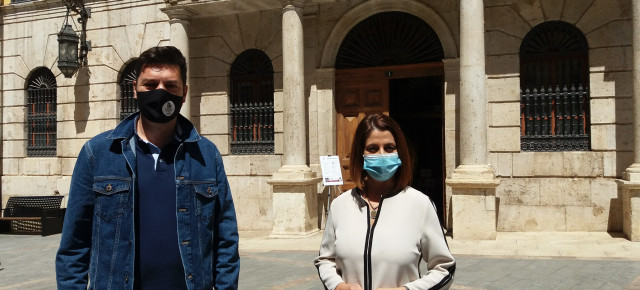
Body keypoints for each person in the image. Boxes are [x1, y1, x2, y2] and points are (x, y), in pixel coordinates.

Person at [55, 46, 240, 290]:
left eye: (170, 85)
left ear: (184, 93)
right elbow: (74, 246)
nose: (161, 92)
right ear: (135, 90)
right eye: (150, 85)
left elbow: (226, 238)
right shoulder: (97, 153)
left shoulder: (206, 155)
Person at [315, 114, 455, 290]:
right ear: (361, 154)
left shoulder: (420, 204)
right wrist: (339, 286)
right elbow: (325, 260)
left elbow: (445, 268)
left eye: (389, 148)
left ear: (400, 153)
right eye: (372, 148)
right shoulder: (340, 205)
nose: (382, 154)